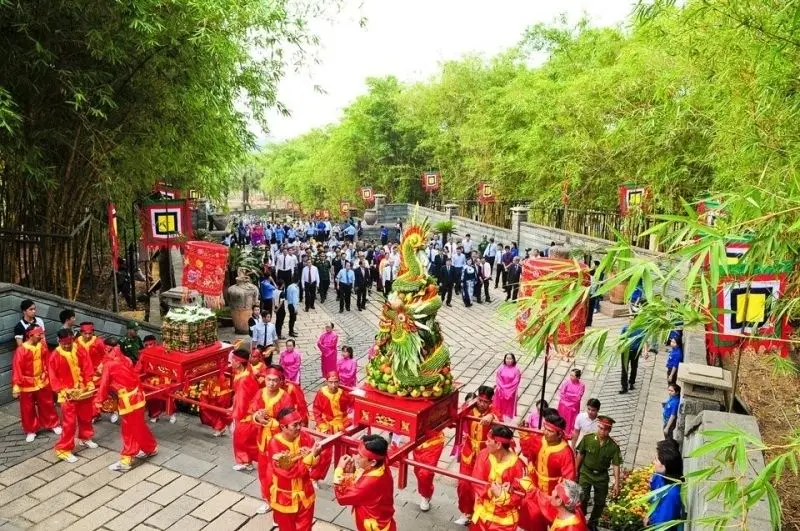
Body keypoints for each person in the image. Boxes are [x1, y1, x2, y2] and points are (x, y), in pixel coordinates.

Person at [94, 338, 159, 472]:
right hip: (138, 396)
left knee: (128, 429)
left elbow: (104, 384)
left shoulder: (109, 365)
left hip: (128, 400)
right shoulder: (127, 360)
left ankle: (126, 459)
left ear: (107, 350)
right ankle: (150, 447)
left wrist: (98, 401)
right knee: (139, 425)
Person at [518, 412, 577, 531]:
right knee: (534, 516)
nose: (545, 432)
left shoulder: (565, 452)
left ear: (559, 434)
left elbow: (569, 478)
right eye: (545, 428)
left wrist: (560, 496)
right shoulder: (540, 439)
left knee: (552, 519)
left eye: (550, 431)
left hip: (552, 493)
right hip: (535, 486)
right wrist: (524, 435)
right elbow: (527, 452)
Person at [267, 407, 321, 530]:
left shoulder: (306, 438)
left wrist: (315, 456)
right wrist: (310, 457)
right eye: (295, 425)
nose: (299, 427)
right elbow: (288, 472)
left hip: (305, 493)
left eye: (300, 423)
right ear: (283, 427)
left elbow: (316, 462)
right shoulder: (274, 444)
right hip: (285, 496)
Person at [49, 328, 98, 462]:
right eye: (64, 343)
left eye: (69, 342)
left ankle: (85, 437)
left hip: (82, 390)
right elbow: (53, 377)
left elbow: (87, 366)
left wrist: (89, 382)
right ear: (59, 341)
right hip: (67, 393)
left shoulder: (79, 349)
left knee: (86, 416)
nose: (66, 345)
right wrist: (61, 390)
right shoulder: (54, 356)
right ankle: (63, 449)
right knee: (69, 423)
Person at [250, 366, 295, 514]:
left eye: (275, 380)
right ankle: (267, 500)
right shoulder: (259, 393)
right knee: (263, 473)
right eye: (269, 380)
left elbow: (287, 422)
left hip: (279, 443)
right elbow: (252, 410)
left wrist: (270, 422)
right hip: (263, 440)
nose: (271, 384)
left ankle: (280, 503)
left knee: (277, 474)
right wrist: (257, 417)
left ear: (281, 381)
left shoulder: (285, 398)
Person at [455, 386, 500, 525]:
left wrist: (491, 415)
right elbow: (457, 413)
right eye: (480, 400)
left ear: (490, 402)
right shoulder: (470, 408)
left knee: (482, 486)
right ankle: (466, 512)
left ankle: (481, 514)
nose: (481, 404)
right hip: (468, 451)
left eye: (485, 402)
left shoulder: (493, 412)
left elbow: (500, 417)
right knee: (464, 484)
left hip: (485, 455)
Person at [333, 434, 397, 531]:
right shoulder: (382, 465)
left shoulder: (367, 483)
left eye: (361, 456)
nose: (357, 457)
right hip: (381, 522)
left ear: (373, 462)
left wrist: (339, 470)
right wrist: (349, 474)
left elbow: (342, 498)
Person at [470, 426, 526, 530]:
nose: (486, 443)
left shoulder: (518, 466)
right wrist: (492, 492)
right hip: (482, 514)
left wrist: (501, 495)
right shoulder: (484, 454)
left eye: (489, 441)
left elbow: (520, 495)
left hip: (503, 522)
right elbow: (477, 482)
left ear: (498, 444)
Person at [12, 326, 60, 442]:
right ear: (30, 335)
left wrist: (50, 377)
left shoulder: (41, 346)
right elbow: (17, 368)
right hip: (26, 383)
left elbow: (47, 362)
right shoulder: (21, 350)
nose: (42, 337)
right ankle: (30, 429)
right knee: (27, 408)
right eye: (39, 335)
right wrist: (16, 386)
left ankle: (53, 424)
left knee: (47, 403)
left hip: (42, 380)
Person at [576, 416, 621, 531]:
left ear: (609, 430)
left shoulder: (613, 446)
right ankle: (581, 517)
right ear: (598, 426)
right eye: (601, 428)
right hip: (586, 472)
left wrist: (616, 483)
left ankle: (593, 522)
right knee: (582, 497)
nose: (602, 431)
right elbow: (580, 454)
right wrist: (575, 471)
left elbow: (616, 464)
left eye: (605, 429)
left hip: (601, 476)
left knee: (600, 501)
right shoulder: (588, 439)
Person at [310, 371, 353, 483]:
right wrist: (320, 424)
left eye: (336, 382)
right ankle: (314, 478)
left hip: (342, 425)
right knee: (324, 454)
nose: (333, 385)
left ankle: (344, 478)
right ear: (326, 382)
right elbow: (316, 410)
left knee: (345, 453)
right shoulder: (321, 393)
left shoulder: (344, 393)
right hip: (326, 425)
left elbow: (354, 404)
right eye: (331, 382)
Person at [230, 349, 260, 471]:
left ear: (238, 362)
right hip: (249, 412)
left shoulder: (243, 380)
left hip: (245, 415)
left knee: (240, 439)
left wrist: (235, 415)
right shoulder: (245, 374)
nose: (231, 362)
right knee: (248, 440)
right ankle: (247, 461)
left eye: (232, 360)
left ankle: (245, 462)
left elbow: (241, 401)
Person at [646, 440, 685, 529]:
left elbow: (661, 523)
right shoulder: (662, 477)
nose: (653, 462)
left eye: (656, 460)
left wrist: (650, 520)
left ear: (664, 467)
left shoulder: (672, 493)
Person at [412, 428, 446, 512]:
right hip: (418, 440)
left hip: (434, 442)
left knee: (425, 473)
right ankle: (425, 492)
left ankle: (426, 495)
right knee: (417, 471)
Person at [199, 373, 232, 437]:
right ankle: (222, 426)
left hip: (222, 386)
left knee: (220, 409)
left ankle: (221, 427)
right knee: (205, 407)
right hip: (211, 384)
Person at [557, 369, 586, 439]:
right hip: (564, 404)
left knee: (570, 420)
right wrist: (572, 397)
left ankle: (568, 433)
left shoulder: (582, 385)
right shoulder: (566, 382)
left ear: (578, 377)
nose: (571, 377)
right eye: (570, 375)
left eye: (573, 376)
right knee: (561, 418)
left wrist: (568, 396)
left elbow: (578, 398)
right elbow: (562, 393)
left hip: (573, 406)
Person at [493, 353, 521, 422]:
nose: (508, 360)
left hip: (510, 393)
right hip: (500, 391)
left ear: (513, 360)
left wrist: (507, 389)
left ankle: (506, 422)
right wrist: (502, 388)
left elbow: (516, 382)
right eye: (507, 358)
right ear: (505, 359)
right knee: (498, 407)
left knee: (508, 409)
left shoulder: (516, 370)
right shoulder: (501, 368)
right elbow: (498, 379)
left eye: (510, 358)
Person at [619, 323, 645, 394]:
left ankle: (624, 387)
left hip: (626, 350)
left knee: (625, 368)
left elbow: (621, 338)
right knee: (634, 367)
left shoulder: (626, 327)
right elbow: (643, 341)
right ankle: (631, 383)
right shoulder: (642, 329)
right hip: (635, 351)